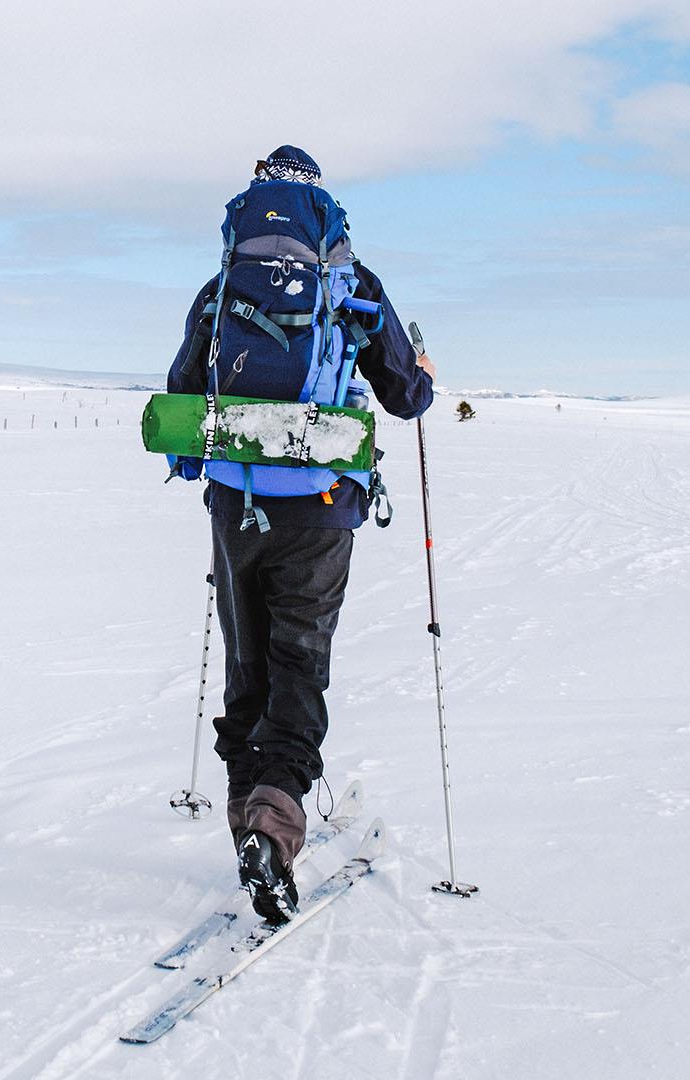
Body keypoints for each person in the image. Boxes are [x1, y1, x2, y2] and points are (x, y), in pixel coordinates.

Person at [166, 145, 436, 922]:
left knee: (249, 665)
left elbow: (186, 389)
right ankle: (275, 830)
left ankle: (248, 821)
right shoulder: (352, 285)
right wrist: (420, 368)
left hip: (235, 504)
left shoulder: (222, 287)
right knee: (300, 662)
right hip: (320, 504)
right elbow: (406, 397)